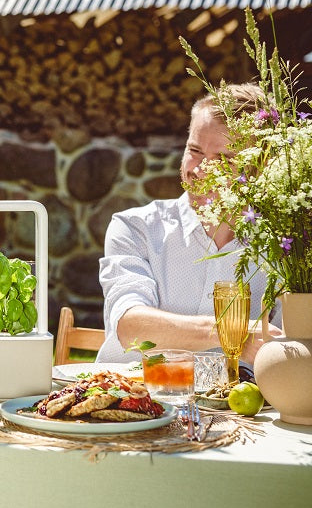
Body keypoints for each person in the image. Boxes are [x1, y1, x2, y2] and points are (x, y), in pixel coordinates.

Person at [97, 83, 283, 365]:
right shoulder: (135, 228)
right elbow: (130, 326)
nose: (197, 170)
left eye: (223, 159)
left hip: (242, 407)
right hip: (132, 399)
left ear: (260, 166)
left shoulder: (285, 245)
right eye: (194, 150)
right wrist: (231, 332)